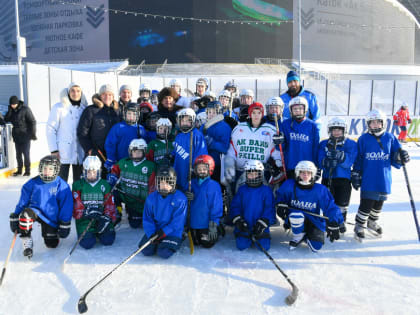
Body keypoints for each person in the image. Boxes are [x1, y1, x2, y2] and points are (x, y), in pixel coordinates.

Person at [351, 109, 410, 241]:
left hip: (384, 177)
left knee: (379, 203)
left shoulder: (390, 137)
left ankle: (372, 222)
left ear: (383, 123)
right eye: (372, 122)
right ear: (368, 124)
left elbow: (396, 155)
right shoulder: (363, 139)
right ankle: (359, 225)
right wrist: (356, 172)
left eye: (378, 122)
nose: (375, 125)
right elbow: (359, 158)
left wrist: (402, 156)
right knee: (367, 203)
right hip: (368, 177)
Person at [9, 155, 72, 258]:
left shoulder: (61, 185)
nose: (47, 171)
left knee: (51, 244)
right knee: (25, 216)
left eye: (50, 169)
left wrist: (64, 222)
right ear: (40, 168)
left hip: (51, 217)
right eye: (44, 168)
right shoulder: (32, 183)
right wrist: (16, 215)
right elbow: (23, 201)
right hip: (35, 211)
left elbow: (66, 206)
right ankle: (27, 240)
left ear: (56, 170)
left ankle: (52, 234)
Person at [275, 161, 343, 252]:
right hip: (294, 217)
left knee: (316, 247)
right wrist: (280, 204)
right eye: (302, 172)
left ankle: (307, 234)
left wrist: (335, 221)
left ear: (313, 174)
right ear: (298, 173)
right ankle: (298, 235)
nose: (305, 175)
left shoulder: (320, 189)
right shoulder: (289, 185)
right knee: (296, 215)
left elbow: (330, 207)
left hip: (313, 220)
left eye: (308, 173)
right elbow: (280, 197)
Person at [225, 102, 282, 191]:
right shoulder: (239, 128)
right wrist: (229, 164)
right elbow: (232, 150)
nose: (256, 116)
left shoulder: (270, 130)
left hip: (261, 172)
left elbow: (275, 150)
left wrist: (278, 162)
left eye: (259, 113)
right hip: (240, 171)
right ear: (250, 114)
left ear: (262, 114)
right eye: (253, 113)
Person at [138, 166, 187, 259]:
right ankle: (158, 242)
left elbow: (177, 222)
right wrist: (151, 233)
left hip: (172, 232)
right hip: (156, 230)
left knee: (163, 253)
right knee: (146, 250)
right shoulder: (151, 198)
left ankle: (177, 240)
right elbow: (147, 218)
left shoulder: (180, 199)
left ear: (173, 183)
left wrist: (164, 232)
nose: (164, 186)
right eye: (162, 183)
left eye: (168, 183)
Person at [318, 118, 357, 233]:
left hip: (344, 178)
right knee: (328, 201)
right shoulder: (323, 144)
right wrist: (326, 162)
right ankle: (328, 221)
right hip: (327, 178)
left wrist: (342, 157)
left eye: (339, 130)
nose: (336, 132)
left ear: (344, 130)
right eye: (334, 130)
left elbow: (350, 161)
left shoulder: (351, 144)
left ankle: (340, 221)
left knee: (342, 203)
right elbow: (319, 159)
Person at [107, 139, 156, 228]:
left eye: (139, 152)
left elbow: (153, 187)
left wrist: (150, 203)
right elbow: (114, 170)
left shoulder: (150, 166)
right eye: (134, 151)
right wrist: (112, 176)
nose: (136, 154)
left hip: (142, 203)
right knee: (113, 192)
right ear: (130, 151)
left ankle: (143, 214)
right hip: (127, 198)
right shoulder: (124, 163)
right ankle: (118, 212)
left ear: (144, 152)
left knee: (136, 224)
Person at [229, 160, 276, 251]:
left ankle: (259, 233)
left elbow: (270, 208)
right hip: (245, 225)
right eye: (250, 174)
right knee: (241, 246)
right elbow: (235, 206)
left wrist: (263, 222)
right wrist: (238, 220)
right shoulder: (242, 190)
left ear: (261, 174)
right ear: (246, 175)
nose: (253, 176)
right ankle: (244, 235)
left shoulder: (266, 190)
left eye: (256, 174)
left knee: (264, 247)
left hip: (260, 225)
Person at [72, 156, 117, 249]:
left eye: (94, 172)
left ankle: (100, 232)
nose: (92, 175)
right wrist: (85, 212)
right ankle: (90, 233)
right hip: (85, 221)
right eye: (89, 172)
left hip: (101, 219)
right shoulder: (78, 185)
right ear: (84, 171)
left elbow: (110, 204)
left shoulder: (104, 184)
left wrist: (106, 217)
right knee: (87, 244)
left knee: (108, 240)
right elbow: (76, 206)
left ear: (99, 171)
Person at [46, 82, 88, 183]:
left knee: (78, 182)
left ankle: (76, 198)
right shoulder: (59, 108)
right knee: (61, 181)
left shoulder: (83, 109)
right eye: (72, 91)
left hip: (79, 152)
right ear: (68, 92)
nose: (75, 93)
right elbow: (51, 129)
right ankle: (61, 198)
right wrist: (54, 149)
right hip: (62, 152)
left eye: (78, 91)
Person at [77, 84, 120, 178]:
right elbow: (82, 132)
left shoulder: (117, 111)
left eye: (110, 94)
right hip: (96, 154)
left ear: (113, 97)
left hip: (113, 154)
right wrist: (89, 149)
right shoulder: (91, 110)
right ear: (100, 96)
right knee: (95, 182)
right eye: (104, 94)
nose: (107, 97)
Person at [185, 155, 223, 248]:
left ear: (210, 169)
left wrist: (214, 222)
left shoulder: (213, 185)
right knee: (196, 242)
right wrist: (185, 195)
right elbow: (182, 199)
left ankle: (220, 228)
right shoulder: (191, 183)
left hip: (206, 222)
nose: (201, 171)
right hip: (194, 222)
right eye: (199, 169)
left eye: (204, 169)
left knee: (207, 243)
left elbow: (216, 206)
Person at [280, 96, 320, 179]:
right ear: (291, 111)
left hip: (307, 167)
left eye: (300, 108)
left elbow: (316, 147)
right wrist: (279, 142)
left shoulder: (312, 126)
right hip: (291, 165)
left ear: (305, 109)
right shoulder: (285, 124)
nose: (297, 111)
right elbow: (282, 147)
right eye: (295, 109)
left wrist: (317, 166)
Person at [171, 108, 208, 192]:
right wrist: (170, 156)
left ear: (193, 121)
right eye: (182, 121)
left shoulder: (197, 135)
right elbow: (176, 151)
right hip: (179, 169)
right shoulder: (179, 136)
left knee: (190, 194)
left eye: (188, 121)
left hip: (190, 172)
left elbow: (201, 154)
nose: (184, 123)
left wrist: (196, 169)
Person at [104, 103, 146, 172]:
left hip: (137, 162)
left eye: (134, 114)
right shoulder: (118, 127)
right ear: (124, 114)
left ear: (138, 115)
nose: (131, 116)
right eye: (129, 114)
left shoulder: (140, 128)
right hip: (120, 161)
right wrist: (111, 159)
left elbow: (146, 145)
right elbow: (110, 144)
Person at [4, 95, 37, 176]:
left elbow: (32, 121)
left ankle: (27, 171)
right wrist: (9, 111)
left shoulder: (25, 109)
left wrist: (33, 133)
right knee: (18, 154)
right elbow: (6, 119)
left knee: (26, 153)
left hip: (25, 134)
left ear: (17, 103)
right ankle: (19, 170)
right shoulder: (11, 110)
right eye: (11, 105)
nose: (12, 106)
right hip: (16, 135)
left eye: (13, 104)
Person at [200, 101, 231, 182]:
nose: (211, 114)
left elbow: (225, 148)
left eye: (214, 112)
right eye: (209, 112)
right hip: (203, 163)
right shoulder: (204, 126)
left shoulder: (225, 127)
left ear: (219, 112)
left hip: (218, 164)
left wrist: (212, 143)